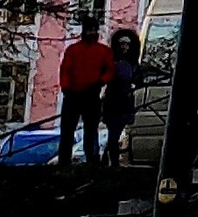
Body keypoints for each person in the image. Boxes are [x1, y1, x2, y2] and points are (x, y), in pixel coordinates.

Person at [57, 12, 112, 175]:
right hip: (75, 95)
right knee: (68, 130)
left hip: (90, 94)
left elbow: (109, 70)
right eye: (89, 30)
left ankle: (91, 159)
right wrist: (66, 88)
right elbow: (65, 70)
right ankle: (64, 160)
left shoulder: (102, 51)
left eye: (94, 30)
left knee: (90, 129)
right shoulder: (74, 50)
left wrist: (100, 82)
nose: (91, 33)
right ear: (84, 31)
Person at [102, 25, 142, 170]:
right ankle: (112, 162)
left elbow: (138, 79)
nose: (125, 47)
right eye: (122, 44)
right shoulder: (112, 62)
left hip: (125, 100)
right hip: (113, 100)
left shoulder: (133, 64)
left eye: (127, 44)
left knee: (117, 133)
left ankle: (108, 159)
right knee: (114, 132)